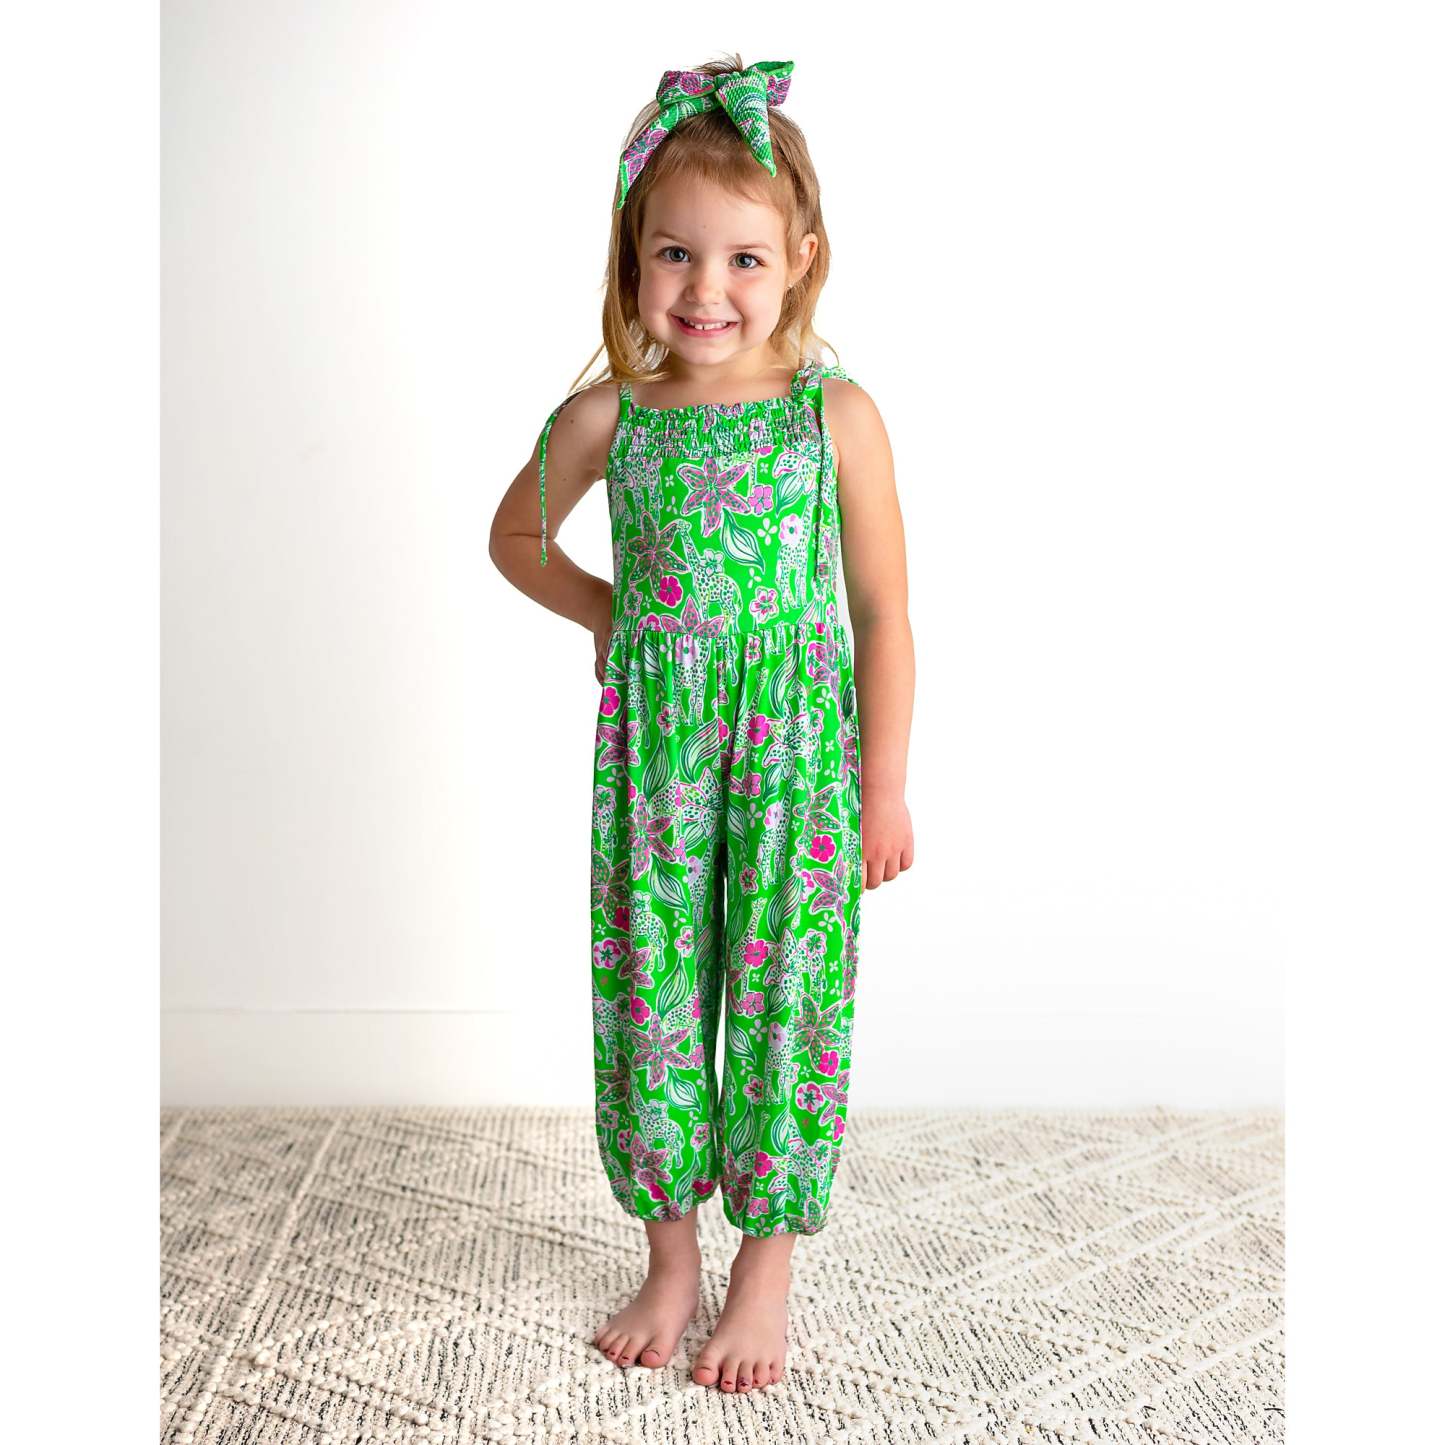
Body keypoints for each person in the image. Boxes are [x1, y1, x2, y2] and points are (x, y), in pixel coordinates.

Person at [490, 54, 915, 1393]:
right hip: (657, 764)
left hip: (799, 763)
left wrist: (884, 784)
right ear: (632, 262)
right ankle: (669, 1258)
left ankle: (763, 1274)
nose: (705, 288)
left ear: (800, 262)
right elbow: (513, 538)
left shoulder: (832, 417)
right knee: (654, 1002)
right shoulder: (608, 419)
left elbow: (882, 611)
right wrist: (608, 612)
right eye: (674, 253)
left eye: (743, 258)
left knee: (789, 1001)